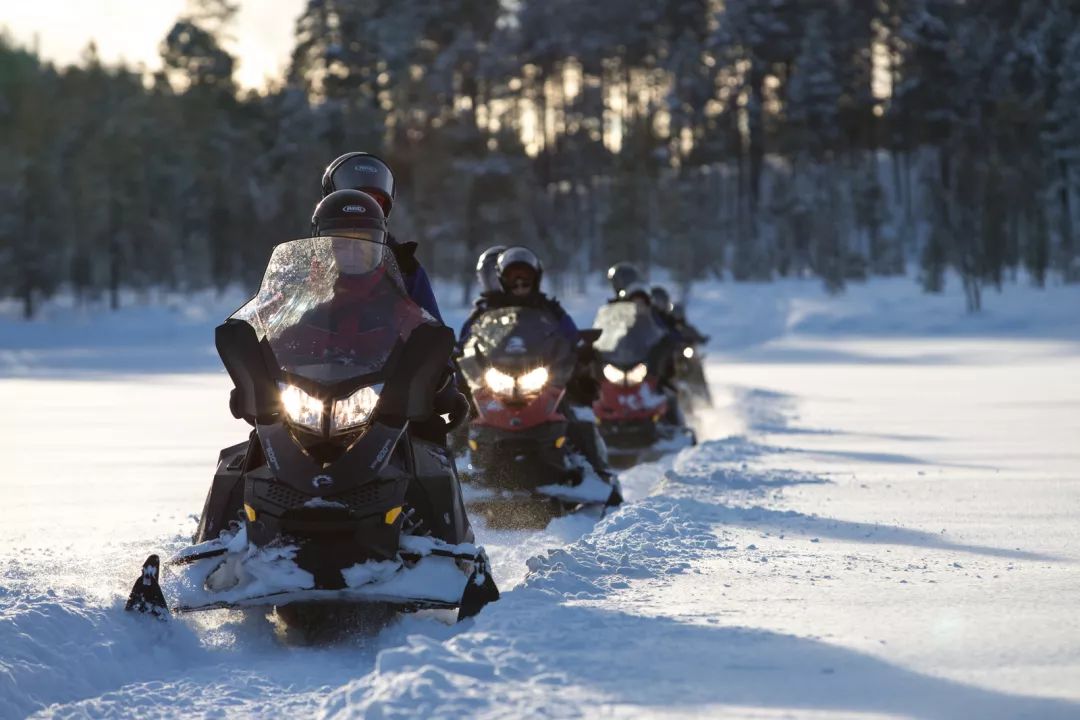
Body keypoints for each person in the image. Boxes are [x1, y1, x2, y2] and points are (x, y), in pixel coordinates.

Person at [459, 246, 615, 484]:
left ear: (536, 278)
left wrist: (580, 351)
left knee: (575, 415)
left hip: (542, 375)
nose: (520, 285)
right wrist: (457, 354)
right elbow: (467, 342)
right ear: (503, 281)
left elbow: (570, 336)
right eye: (514, 280)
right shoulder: (486, 311)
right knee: (458, 415)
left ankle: (597, 473)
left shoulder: (549, 308)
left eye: (525, 279)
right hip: (494, 378)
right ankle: (456, 472)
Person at [321, 152, 444, 324]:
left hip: (389, 349)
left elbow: (435, 334)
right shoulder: (316, 259)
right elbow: (289, 317)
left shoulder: (404, 265)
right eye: (360, 199)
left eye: (376, 201)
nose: (369, 207)